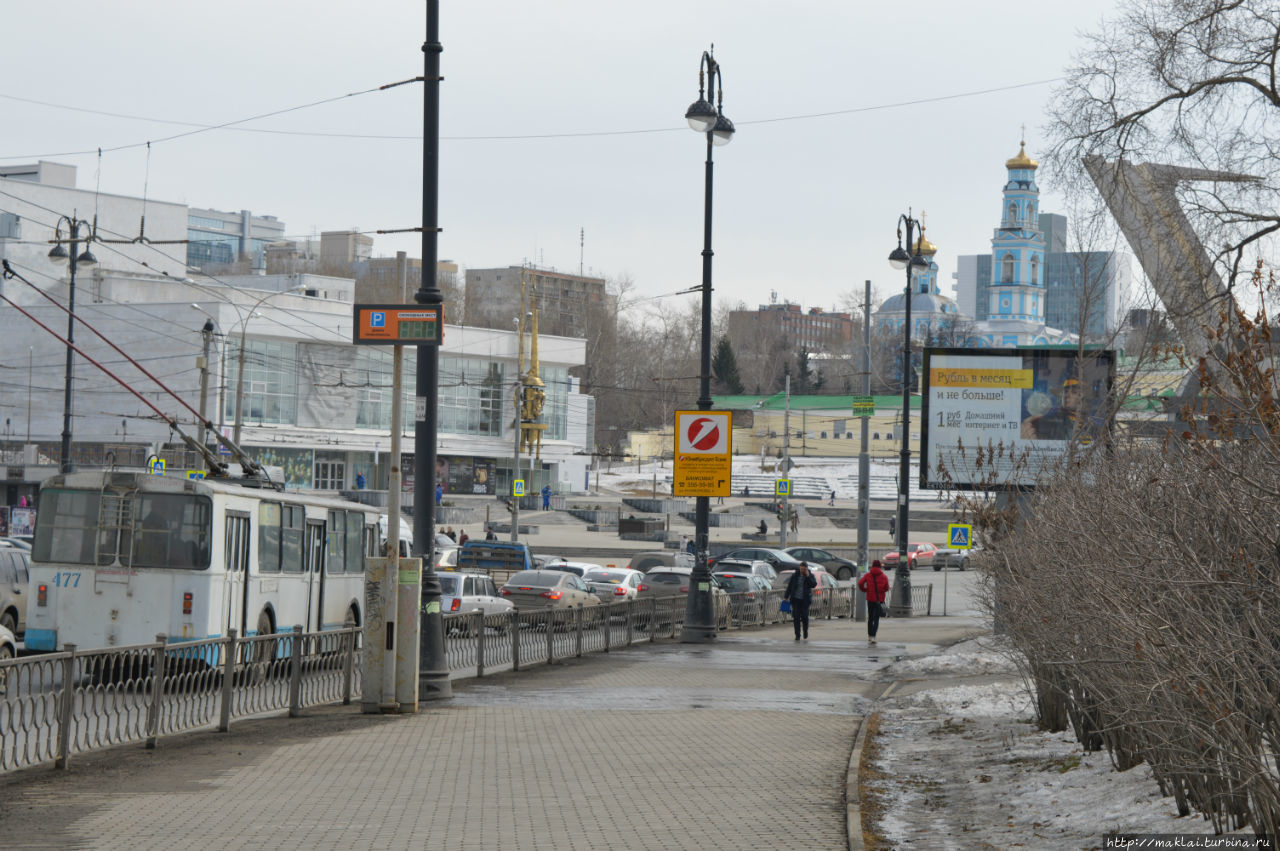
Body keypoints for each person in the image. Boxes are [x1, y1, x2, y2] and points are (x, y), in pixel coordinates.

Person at [1021, 376, 1083, 440]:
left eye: (1074, 392)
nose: (1067, 395)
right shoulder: (1052, 422)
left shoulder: (1088, 423)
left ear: (1081, 397)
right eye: (1066, 392)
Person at [857, 559, 892, 645]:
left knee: (870, 618)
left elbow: (860, 583)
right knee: (876, 619)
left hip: (870, 599)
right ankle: (873, 636)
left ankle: (869, 635)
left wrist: (865, 589)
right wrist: (881, 591)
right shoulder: (884, 577)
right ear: (880, 566)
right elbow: (887, 588)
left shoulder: (868, 575)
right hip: (879, 600)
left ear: (872, 566)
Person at [784, 561, 817, 641]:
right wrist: (786, 596)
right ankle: (797, 635)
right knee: (796, 617)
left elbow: (813, 584)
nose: (802, 570)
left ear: (806, 569)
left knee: (805, 617)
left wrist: (808, 576)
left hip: (805, 600)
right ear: (799, 568)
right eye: (801, 569)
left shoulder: (810, 575)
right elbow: (790, 586)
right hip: (796, 600)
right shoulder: (795, 575)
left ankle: (805, 631)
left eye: (804, 569)